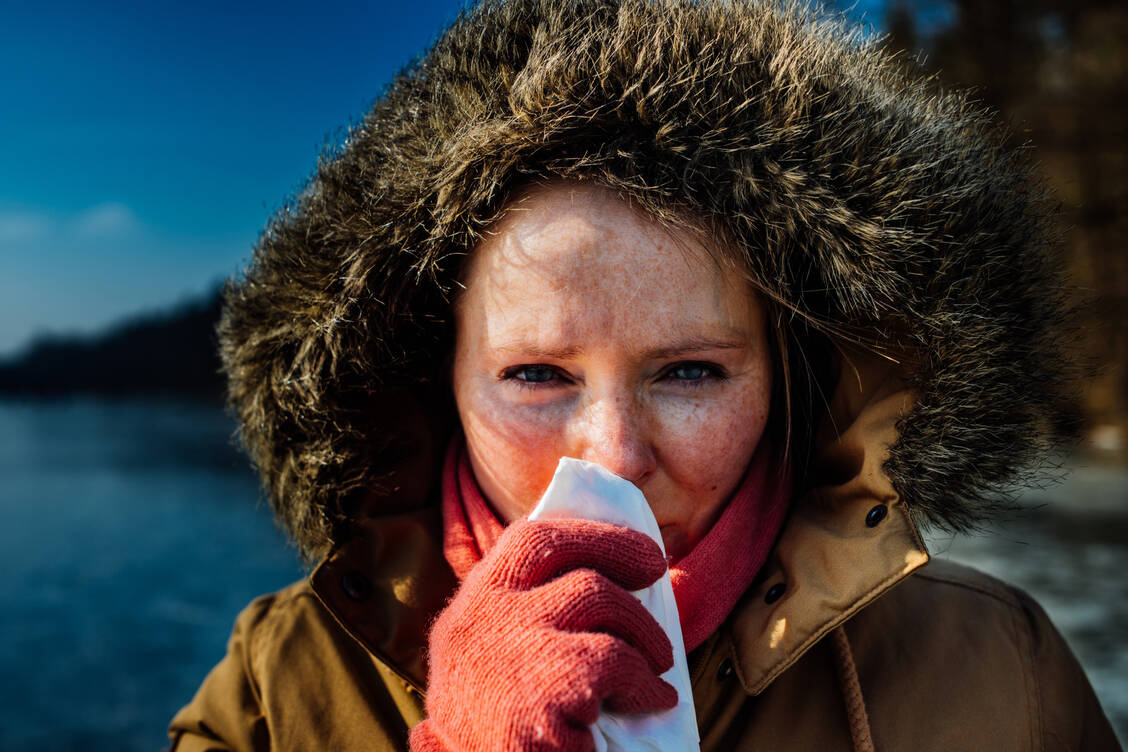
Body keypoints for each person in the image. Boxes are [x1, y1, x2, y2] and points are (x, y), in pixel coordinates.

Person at [169, 0, 1121, 749]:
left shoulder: (1000, 668)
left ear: (791, 376)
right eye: (537, 375)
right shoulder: (278, 686)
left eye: (692, 372)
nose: (616, 457)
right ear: (435, 382)